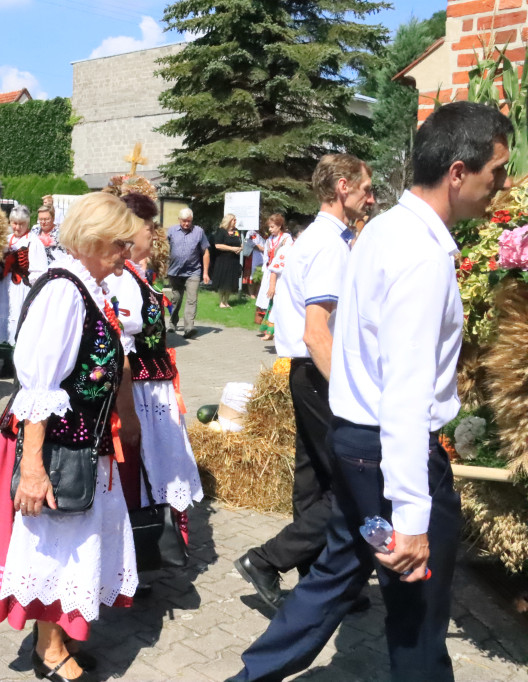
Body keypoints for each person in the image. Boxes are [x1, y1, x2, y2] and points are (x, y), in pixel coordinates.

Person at [232, 100, 513, 682]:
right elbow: (407, 391)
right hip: (390, 451)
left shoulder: (384, 230)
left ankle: (248, 676)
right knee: (417, 609)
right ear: (458, 171)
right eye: (498, 173)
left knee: (336, 571)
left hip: (359, 443)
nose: (502, 188)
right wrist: (412, 513)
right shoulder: (420, 255)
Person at [0, 192, 141, 682]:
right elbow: (40, 384)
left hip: (78, 441)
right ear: (92, 239)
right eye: (119, 244)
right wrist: (32, 466)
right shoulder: (65, 291)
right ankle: (48, 650)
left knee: (73, 540)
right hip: (54, 444)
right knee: (56, 540)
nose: (126, 254)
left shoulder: (89, 286)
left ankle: (56, 637)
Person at [234, 154, 375, 610]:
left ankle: (317, 585)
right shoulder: (330, 245)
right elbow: (318, 333)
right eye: (366, 187)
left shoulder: (317, 239)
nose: (370, 196)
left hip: (308, 372)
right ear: (341, 186)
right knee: (351, 484)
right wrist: (347, 390)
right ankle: (267, 560)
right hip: (321, 371)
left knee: (312, 478)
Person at [110, 191, 204, 532]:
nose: (155, 233)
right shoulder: (119, 278)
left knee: (157, 469)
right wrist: (129, 412)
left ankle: (154, 544)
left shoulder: (134, 273)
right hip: (138, 391)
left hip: (153, 389)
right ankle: (143, 544)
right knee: (142, 471)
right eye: (149, 226)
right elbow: (119, 346)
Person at [0, 205, 46, 379]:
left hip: (22, 286)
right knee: (4, 319)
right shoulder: (6, 240)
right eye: (14, 223)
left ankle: (18, 366)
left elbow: (39, 270)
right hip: (5, 286)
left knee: (19, 322)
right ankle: (6, 363)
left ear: (27, 223)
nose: (17, 227)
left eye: (21, 224)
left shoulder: (33, 242)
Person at [165, 207, 210, 338]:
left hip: (193, 271)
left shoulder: (198, 232)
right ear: (179, 220)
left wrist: (205, 272)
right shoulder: (172, 230)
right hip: (175, 271)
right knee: (176, 299)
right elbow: (163, 248)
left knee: (192, 299)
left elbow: (206, 252)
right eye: (184, 221)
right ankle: (172, 323)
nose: (186, 224)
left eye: (189, 221)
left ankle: (188, 327)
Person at [255, 214, 292, 341]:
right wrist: (266, 270)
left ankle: (277, 331)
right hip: (270, 271)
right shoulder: (270, 239)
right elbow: (266, 255)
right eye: (269, 227)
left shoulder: (286, 239)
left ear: (279, 225)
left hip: (281, 273)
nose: (270, 230)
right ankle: (269, 330)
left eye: (272, 227)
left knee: (277, 300)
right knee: (269, 300)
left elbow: (288, 256)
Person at [211, 213, 243, 308]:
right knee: (223, 281)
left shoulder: (236, 231)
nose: (235, 222)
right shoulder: (221, 231)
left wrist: (240, 248)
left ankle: (226, 301)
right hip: (223, 260)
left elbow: (239, 242)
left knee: (230, 280)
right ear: (229, 221)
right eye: (234, 220)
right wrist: (232, 249)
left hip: (233, 260)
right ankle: (221, 301)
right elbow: (218, 245)